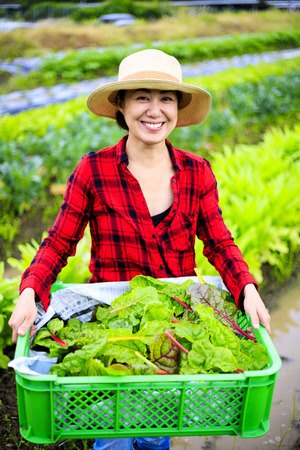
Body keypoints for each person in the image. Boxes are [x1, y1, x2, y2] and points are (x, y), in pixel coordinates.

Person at [9, 49, 271, 450]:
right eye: (142, 96)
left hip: (172, 331)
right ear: (121, 104)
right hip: (113, 330)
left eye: (166, 98)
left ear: (179, 108)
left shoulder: (197, 171)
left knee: (154, 433)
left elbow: (219, 241)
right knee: (112, 436)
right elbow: (59, 241)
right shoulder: (93, 170)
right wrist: (30, 289)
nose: (155, 110)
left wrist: (246, 288)